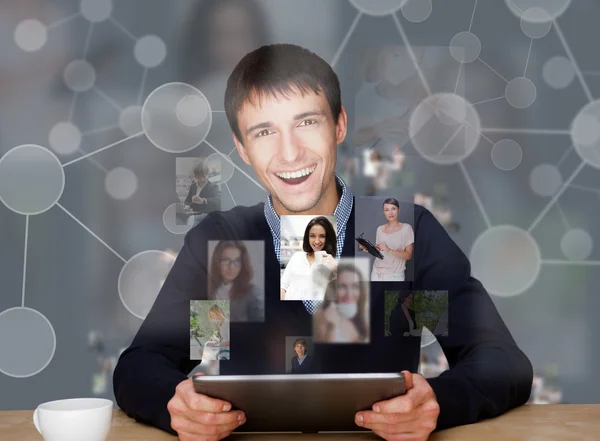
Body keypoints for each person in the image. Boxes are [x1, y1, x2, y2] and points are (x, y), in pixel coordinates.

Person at [114, 44, 533, 441]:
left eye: (306, 122)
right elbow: (143, 365)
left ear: (339, 125)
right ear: (242, 149)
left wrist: (438, 403)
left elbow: (500, 362)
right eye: (264, 132)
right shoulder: (226, 245)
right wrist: (176, 404)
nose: (290, 153)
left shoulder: (403, 235)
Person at [280, 216, 338, 301]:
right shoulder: (297, 257)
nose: (317, 241)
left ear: (328, 238)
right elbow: (283, 286)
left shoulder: (332, 263)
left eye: (322, 236)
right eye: (312, 236)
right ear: (307, 237)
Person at [208, 241, 264, 322]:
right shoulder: (208, 287)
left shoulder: (253, 292)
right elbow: (200, 329)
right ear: (217, 262)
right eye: (225, 260)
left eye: (237, 261)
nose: (231, 267)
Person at [360, 198, 414, 281]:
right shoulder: (380, 229)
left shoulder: (406, 228)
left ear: (398, 210)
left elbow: (408, 255)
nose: (390, 213)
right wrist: (367, 248)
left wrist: (389, 250)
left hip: (395, 276)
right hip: (376, 273)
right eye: (387, 210)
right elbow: (379, 251)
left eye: (393, 209)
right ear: (384, 213)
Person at [313, 264, 369, 343]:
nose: (349, 294)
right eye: (342, 286)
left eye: (355, 286)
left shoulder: (362, 316)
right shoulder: (321, 317)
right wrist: (332, 327)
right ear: (333, 289)